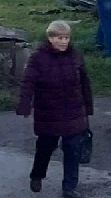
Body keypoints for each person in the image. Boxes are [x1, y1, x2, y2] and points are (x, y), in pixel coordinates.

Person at [17, 20, 94, 198]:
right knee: (45, 148)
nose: (64, 42)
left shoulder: (75, 55)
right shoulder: (38, 57)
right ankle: (37, 175)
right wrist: (24, 104)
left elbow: (84, 82)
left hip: (74, 111)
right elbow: (28, 82)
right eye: (60, 38)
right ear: (50, 38)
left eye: (67, 38)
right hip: (49, 112)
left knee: (73, 150)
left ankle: (69, 188)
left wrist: (88, 107)